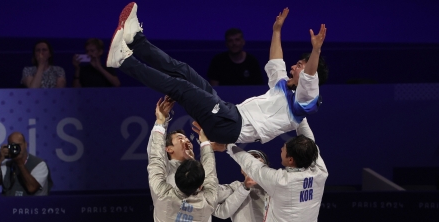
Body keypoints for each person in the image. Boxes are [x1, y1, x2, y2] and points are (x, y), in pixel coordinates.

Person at [107, 4, 327, 146]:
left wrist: (316, 50)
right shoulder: (282, 87)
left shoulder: (305, 102)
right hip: (229, 113)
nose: (293, 67)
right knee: (185, 72)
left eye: (299, 65)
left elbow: (309, 78)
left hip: (230, 126)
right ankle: (136, 40)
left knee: (181, 88)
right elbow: (276, 62)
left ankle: (124, 61)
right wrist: (277, 31)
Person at [0, 132, 53, 196]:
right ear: (8, 147)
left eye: (19, 145)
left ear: (25, 145)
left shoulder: (39, 164)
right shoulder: (6, 165)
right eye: (13, 146)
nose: (16, 148)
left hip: (33, 206)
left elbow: (32, 188)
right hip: (9, 206)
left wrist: (20, 163)